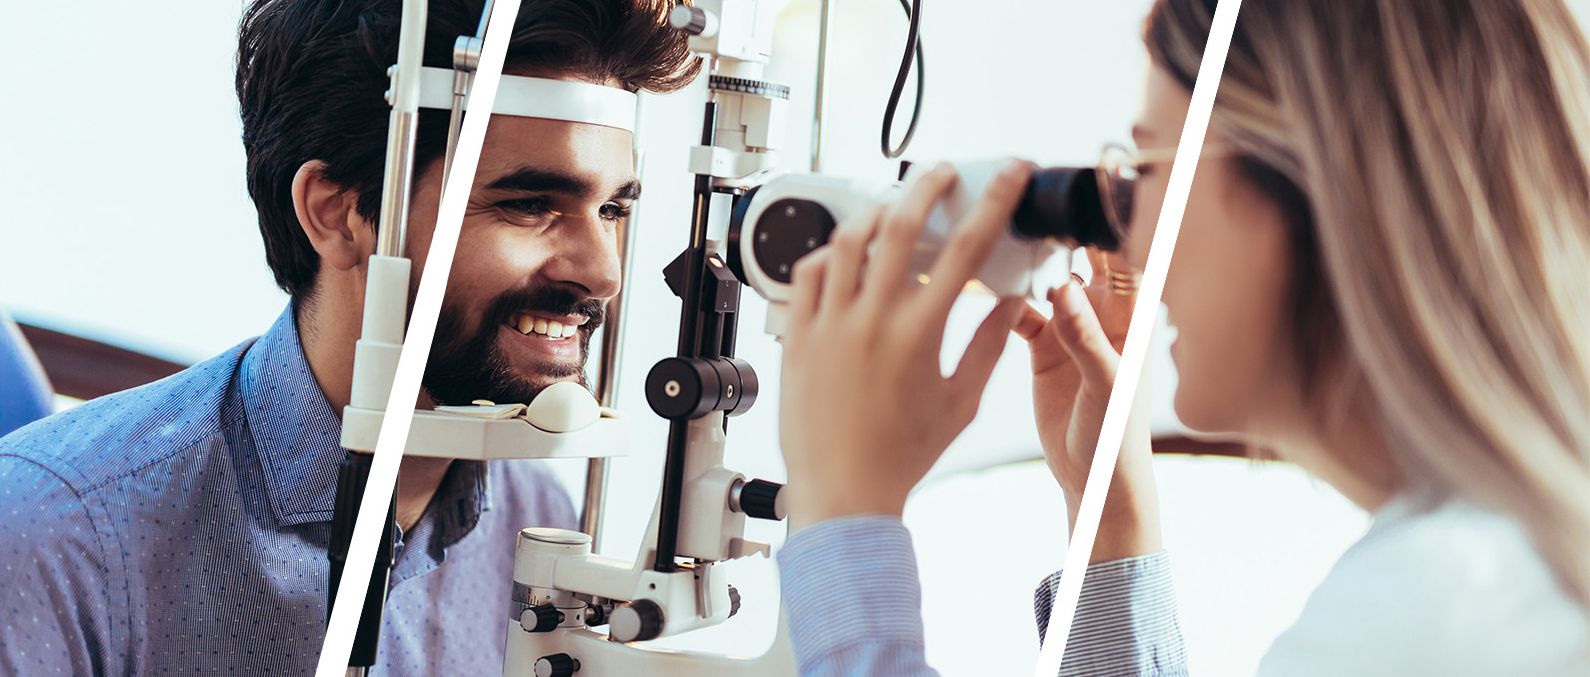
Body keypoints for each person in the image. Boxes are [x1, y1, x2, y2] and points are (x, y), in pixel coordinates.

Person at [774, 0, 1590, 675]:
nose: (1121, 238)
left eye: (1146, 171)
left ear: (1313, 177)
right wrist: (1109, 519)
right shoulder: (1494, 570)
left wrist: (847, 515)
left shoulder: (1438, 616)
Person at [0, 1, 697, 673]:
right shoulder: (56, 535)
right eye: (529, 204)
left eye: (611, 208)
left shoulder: (538, 518)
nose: (602, 270)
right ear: (336, 215)